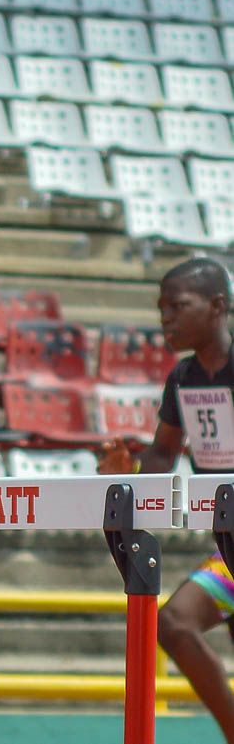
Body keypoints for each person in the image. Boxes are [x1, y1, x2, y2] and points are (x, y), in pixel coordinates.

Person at [98, 258, 234, 742]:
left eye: (178, 306)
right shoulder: (183, 378)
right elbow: (162, 454)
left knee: (174, 621)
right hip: (228, 547)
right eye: (161, 308)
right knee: (174, 624)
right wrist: (128, 474)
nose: (165, 318)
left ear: (217, 306)